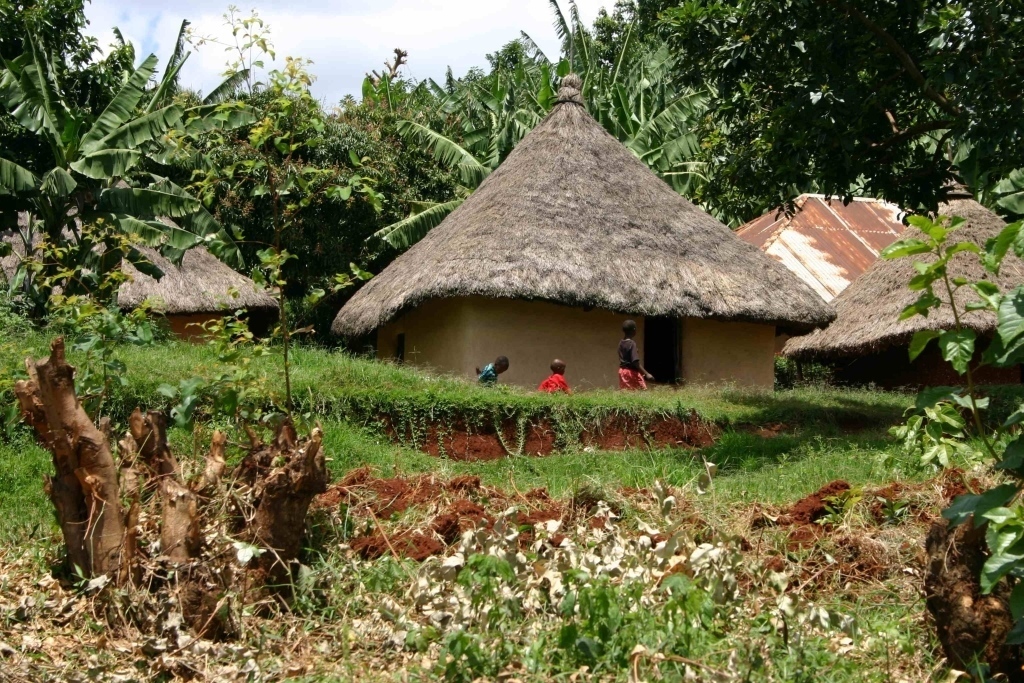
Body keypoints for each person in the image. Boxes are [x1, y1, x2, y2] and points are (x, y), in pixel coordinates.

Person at [618, 320, 654, 390]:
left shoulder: (621, 343)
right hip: (631, 372)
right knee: (642, 390)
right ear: (634, 331)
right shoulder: (632, 344)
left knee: (626, 391)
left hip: (622, 371)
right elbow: (635, 362)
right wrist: (646, 374)